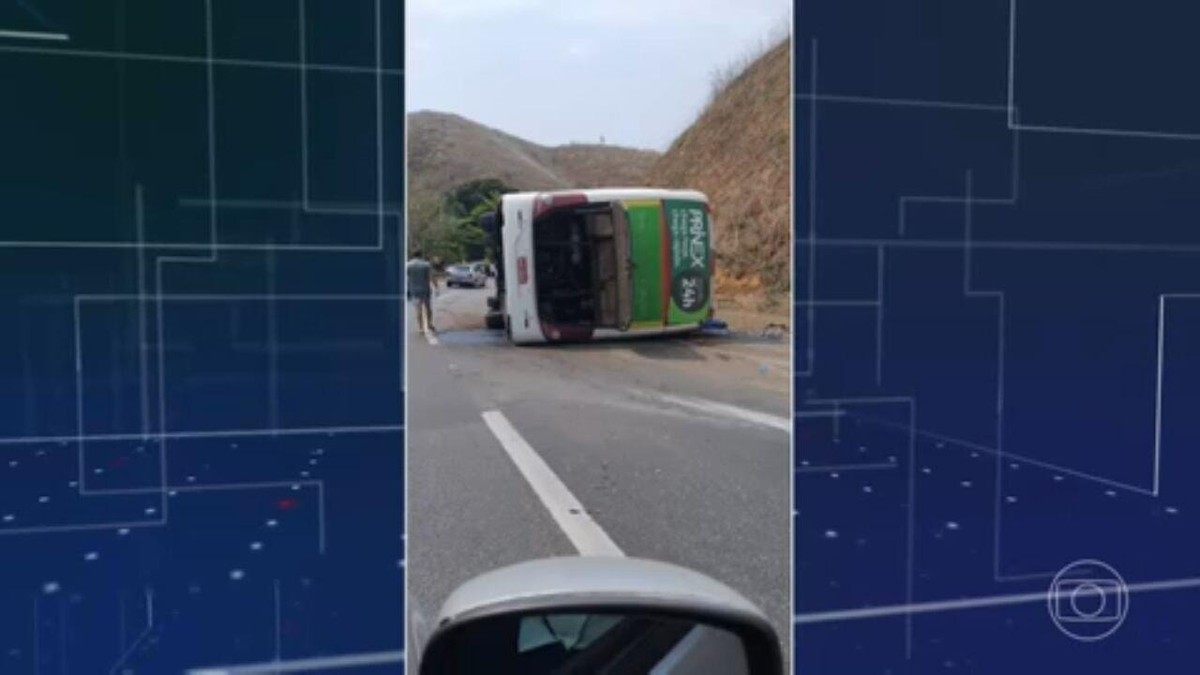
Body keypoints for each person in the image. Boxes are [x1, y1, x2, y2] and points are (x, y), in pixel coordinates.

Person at [406, 249, 435, 333]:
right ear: (421, 255)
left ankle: (420, 327)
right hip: (425, 289)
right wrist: (436, 287)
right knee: (428, 308)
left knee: (418, 309)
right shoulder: (426, 264)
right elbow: (431, 277)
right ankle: (429, 324)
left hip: (414, 290)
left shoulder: (408, 265)